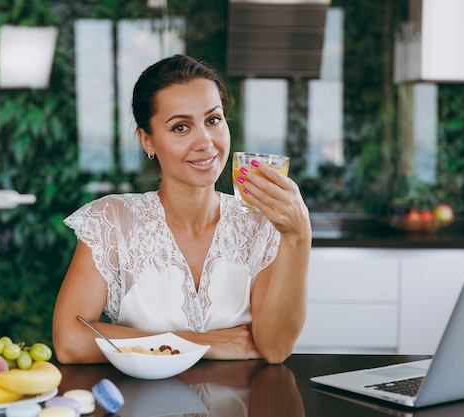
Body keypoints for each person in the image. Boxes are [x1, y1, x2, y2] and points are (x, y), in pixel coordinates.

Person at [53, 54, 311, 365]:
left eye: (213, 120)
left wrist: (298, 236)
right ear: (147, 140)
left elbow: (275, 349)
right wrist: (197, 343)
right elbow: (69, 341)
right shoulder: (112, 221)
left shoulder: (259, 224)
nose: (205, 142)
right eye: (180, 127)